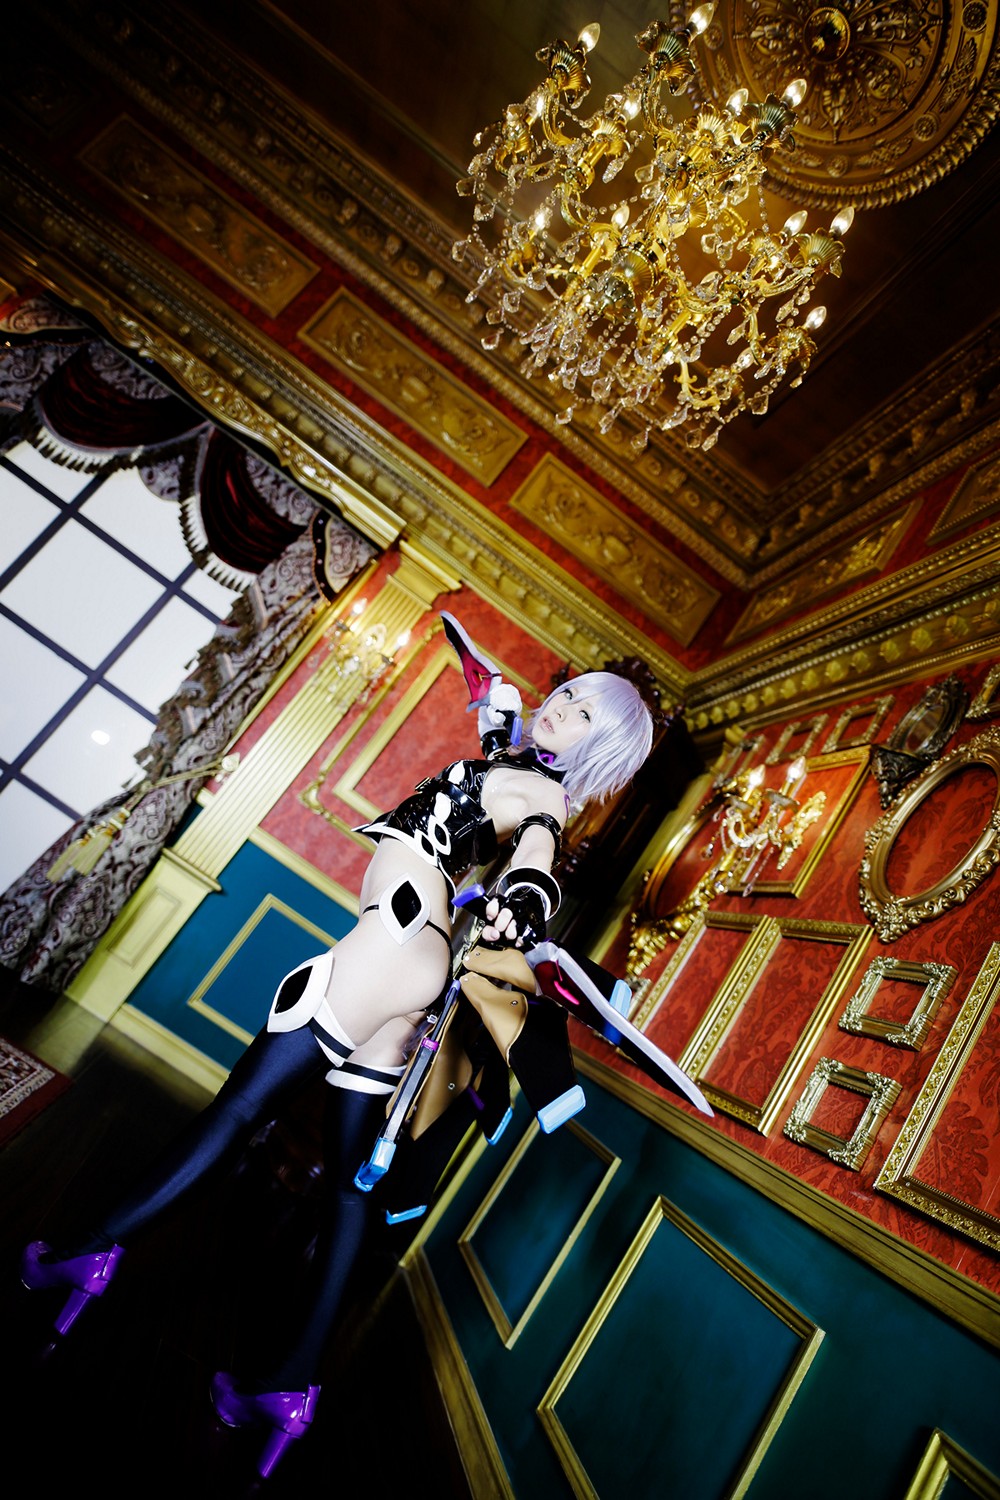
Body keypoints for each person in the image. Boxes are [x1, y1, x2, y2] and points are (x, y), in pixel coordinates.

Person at [18, 612, 665, 1478]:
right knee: (351, 1189)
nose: (564, 705)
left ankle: (87, 1251)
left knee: (239, 1109)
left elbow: (537, 853)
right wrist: (493, 702)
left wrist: (525, 900)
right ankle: (288, 1388)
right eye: (571, 691)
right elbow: (499, 737)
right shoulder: (515, 765)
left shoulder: (544, 799)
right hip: (413, 962)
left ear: (601, 749)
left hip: (386, 948)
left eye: (584, 714)